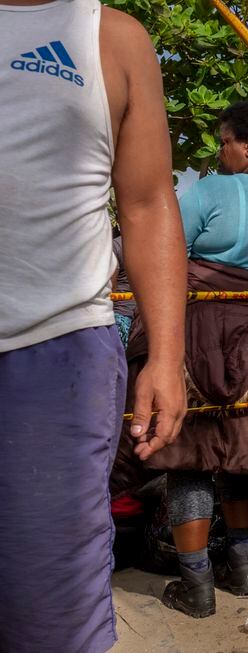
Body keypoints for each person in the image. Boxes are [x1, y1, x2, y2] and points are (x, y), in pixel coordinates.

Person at [0, 2, 188, 651]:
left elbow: (146, 201)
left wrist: (166, 354)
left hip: (57, 360)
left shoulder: (111, 38)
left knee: (46, 610)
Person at [143, 100, 248, 618]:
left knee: (190, 457)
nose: (220, 152)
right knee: (241, 455)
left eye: (224, 142)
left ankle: (196, 585)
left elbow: (169, 247)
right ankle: (242, 572)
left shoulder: (210, 190)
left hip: (199, 334)